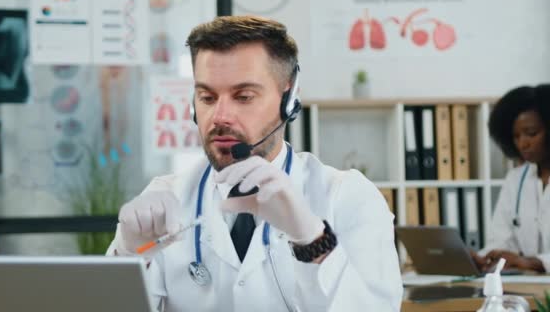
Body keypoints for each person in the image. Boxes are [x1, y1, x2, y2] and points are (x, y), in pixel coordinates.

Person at [106, 16, 402, 311]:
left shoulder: (347, 197)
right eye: (207, 97)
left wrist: (313, 241)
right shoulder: (165, 197)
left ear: (288, 99)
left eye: (243, 96)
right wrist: (129, 256)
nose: (219, 116)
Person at [473, 85, 550, 273]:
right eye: (516, 136)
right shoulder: (516, 179)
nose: (523, 143)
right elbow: (501, 239)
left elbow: (526, 261)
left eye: (531, 133)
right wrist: (489, 257)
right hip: (530, 288)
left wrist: (534, 262)